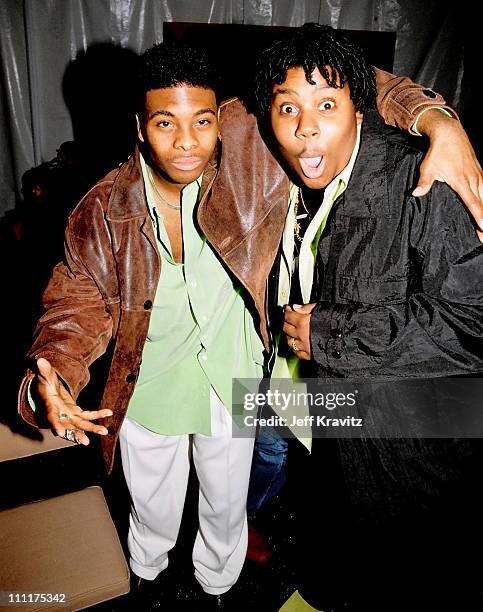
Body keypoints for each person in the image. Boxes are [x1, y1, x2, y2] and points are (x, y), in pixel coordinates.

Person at [18, 33, 483, 609]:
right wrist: (55, 371)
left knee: (232, 496)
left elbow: (344, 82)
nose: (187, 141)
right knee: (156, 509)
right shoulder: (101, 211)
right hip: (153, 391)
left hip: (244, 379)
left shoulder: (251, 140)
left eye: (202, 122)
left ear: (221, 118)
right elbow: (75, 299)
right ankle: (149, 574)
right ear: (139, 127)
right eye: (164, 124)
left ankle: (222, 581)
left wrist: (439, 120)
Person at [250, 23, 483, 610]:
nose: (306, 127)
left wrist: (330, 334)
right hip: (333, 422)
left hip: (415, 450)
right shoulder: (299, 181)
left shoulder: (423, 180)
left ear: (362, 111)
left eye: (327, 105)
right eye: (288, 108)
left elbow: (474, 326)